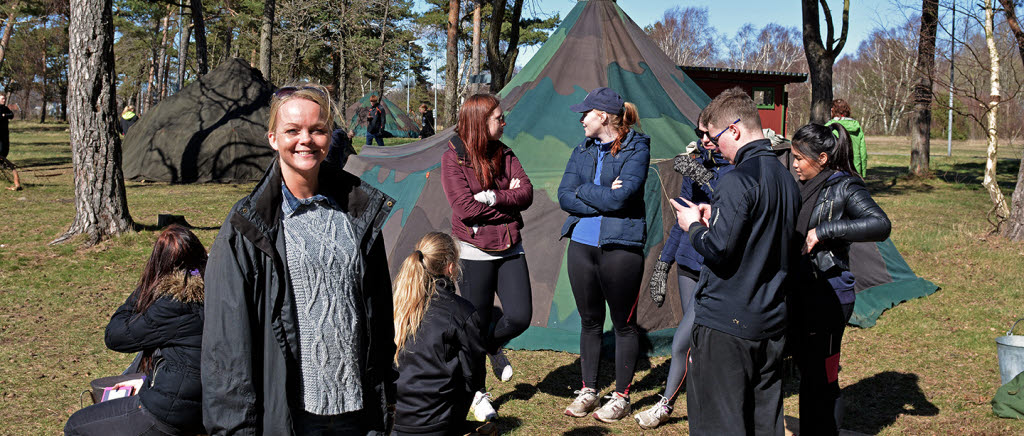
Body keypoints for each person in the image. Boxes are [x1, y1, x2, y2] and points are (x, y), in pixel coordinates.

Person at [202, 83, 397, 435]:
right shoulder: (248, 227)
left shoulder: (360, 212)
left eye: (317, 130)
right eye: (292, 130)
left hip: (359, 412)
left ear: (330, 137)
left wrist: (387, 397)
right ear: (273, 138)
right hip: (291, 416)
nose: (305, 140)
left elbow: (380, 316)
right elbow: (226, 348)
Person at [670, 86, 800, 435]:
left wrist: (694, 227)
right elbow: (764, 230)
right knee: (763, 422)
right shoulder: (786, 179)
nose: (712, 147)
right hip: (770, 324)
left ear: (736, 130)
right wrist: (719, 215)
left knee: (719, 425)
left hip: (728, 327)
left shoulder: (737, 180)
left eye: (714, 138)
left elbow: (720, 253)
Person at [634, 109, 734, 430]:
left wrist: (705, 176)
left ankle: (666, 404)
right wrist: (664, 263)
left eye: (709, 134)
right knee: (692, 339)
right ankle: (697, 400)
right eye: (699, 133)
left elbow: (732, 201)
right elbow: (682, 218)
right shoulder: (696, 163)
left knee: (682, 341)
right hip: (689, 262)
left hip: (715, 266)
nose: (703, 140)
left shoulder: (738, 165)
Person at [789, 123, 891, 435]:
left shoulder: (845, 186)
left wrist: (825, 231)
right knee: (809, 374)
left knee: (821, 377)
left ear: (821, 157)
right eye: (792, 156)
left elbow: (880, 224)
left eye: (799, 158)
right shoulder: (800, 185)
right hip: (800, 290)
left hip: (829, 293)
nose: (793, 164)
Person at [557, 86, 650, 423]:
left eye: (587, 113)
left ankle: (621, 397)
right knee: (590, 321)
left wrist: (585, 192)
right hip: (581, 245)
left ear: (605, 116)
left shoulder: (636, 148)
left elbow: (620, 199)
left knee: (624, 325)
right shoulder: (581, 149)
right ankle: (588, 390)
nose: (581, 118)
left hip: (621, 248)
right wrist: (594, 192)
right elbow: (564, 195)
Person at [440, 93, 534, 422]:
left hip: (510, 244)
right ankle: (477, 393)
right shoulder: (453, 158)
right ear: (481, 122)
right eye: (499, 118)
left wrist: (493, 196)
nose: (504, 122)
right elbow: (464, 209)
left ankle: (493, 346)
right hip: (473, 250)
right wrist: (507, 208)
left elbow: (527, 194)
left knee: (520, 316)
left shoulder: (504, 153)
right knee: (475, 323)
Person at [64, 225, 207, 436]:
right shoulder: (218, 287)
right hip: (205, 405)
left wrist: (147, 287)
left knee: (76, 426)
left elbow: (115, 336)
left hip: (172, 412)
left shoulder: (173, 304)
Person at [392, 232, 487, 436]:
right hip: (435, 424)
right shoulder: (461, 312)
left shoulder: (396, 306)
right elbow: (474, 376)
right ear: (451, 267)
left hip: (392, 420)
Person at [825, 99, 866, 176]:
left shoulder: (829, 127)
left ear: (832, 110)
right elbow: (863, 152)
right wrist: (863, 173)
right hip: (855, 170)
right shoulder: (856, 126)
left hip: (834, 171)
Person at [0, 94, 18, 191]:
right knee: (1, 149)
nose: (4, 100)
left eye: (5, 98)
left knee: (6, 149)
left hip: (5, 133)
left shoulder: (5, 108)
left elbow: (11, 115)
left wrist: (4, 115)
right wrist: (3, 116)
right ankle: (1, 163)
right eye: (3, 98)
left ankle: (2, 163)